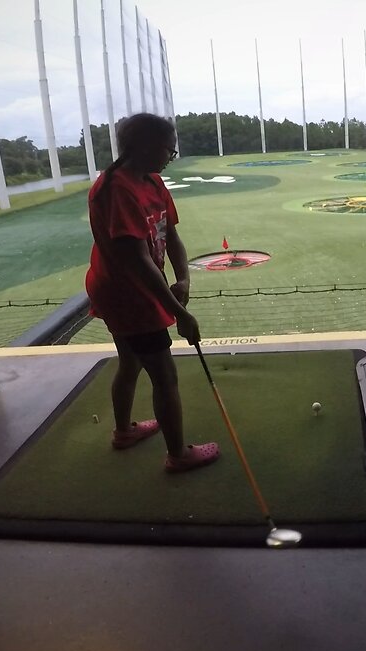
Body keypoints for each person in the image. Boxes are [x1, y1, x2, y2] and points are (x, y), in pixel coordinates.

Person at [85, 113, 219, 472]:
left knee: (130, 361)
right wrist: (180, 312)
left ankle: (124, 431)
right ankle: (178, 454)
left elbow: (170, 236)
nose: (169, 157)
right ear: (144, 146)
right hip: (126, 294)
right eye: (168, 151)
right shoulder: (116, 189)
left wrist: (184, 279)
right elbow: (138, 261)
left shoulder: (152, 182)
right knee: (164, 374)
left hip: (136, 288)